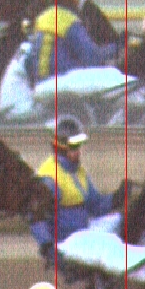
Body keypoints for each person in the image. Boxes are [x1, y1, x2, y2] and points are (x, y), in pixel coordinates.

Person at [30, 114, 120, 266]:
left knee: (123, 220)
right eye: (73, 147)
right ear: (61, 148)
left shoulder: (78, 171)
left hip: (84, 231)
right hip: (68, 242)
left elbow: (95, 206)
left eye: (79, 146)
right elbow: (36, 216)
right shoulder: (49, 177)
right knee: (110, 243)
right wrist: (47, 245)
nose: (78, 151)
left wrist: (117, 198)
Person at [25, 0, 120, 86]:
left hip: (39, 85)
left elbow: (28, 62)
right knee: (112, 75)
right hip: (62, 84)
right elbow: (92, 58)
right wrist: (117, 47)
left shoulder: (41, 19)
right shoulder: (68, 21)